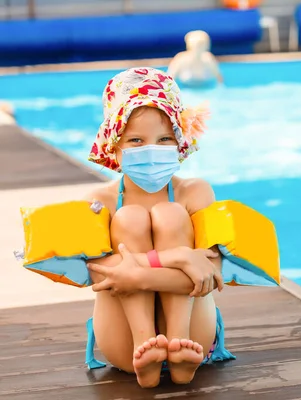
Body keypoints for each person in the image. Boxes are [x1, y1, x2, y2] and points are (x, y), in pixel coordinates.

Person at [85, 67, 231, 388]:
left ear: (180, 141)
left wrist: (134, 273)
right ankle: (145, 347)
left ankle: (178, 346)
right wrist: (178, 258)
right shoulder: (101, 200)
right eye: (136, 140)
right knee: (129, 218)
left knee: (171, 215)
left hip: (194, 337)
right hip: (125, 344)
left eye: (164, 139)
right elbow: (96, 273)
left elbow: (213, 272)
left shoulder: (195, 193)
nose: (152, 150)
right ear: (114, 144)